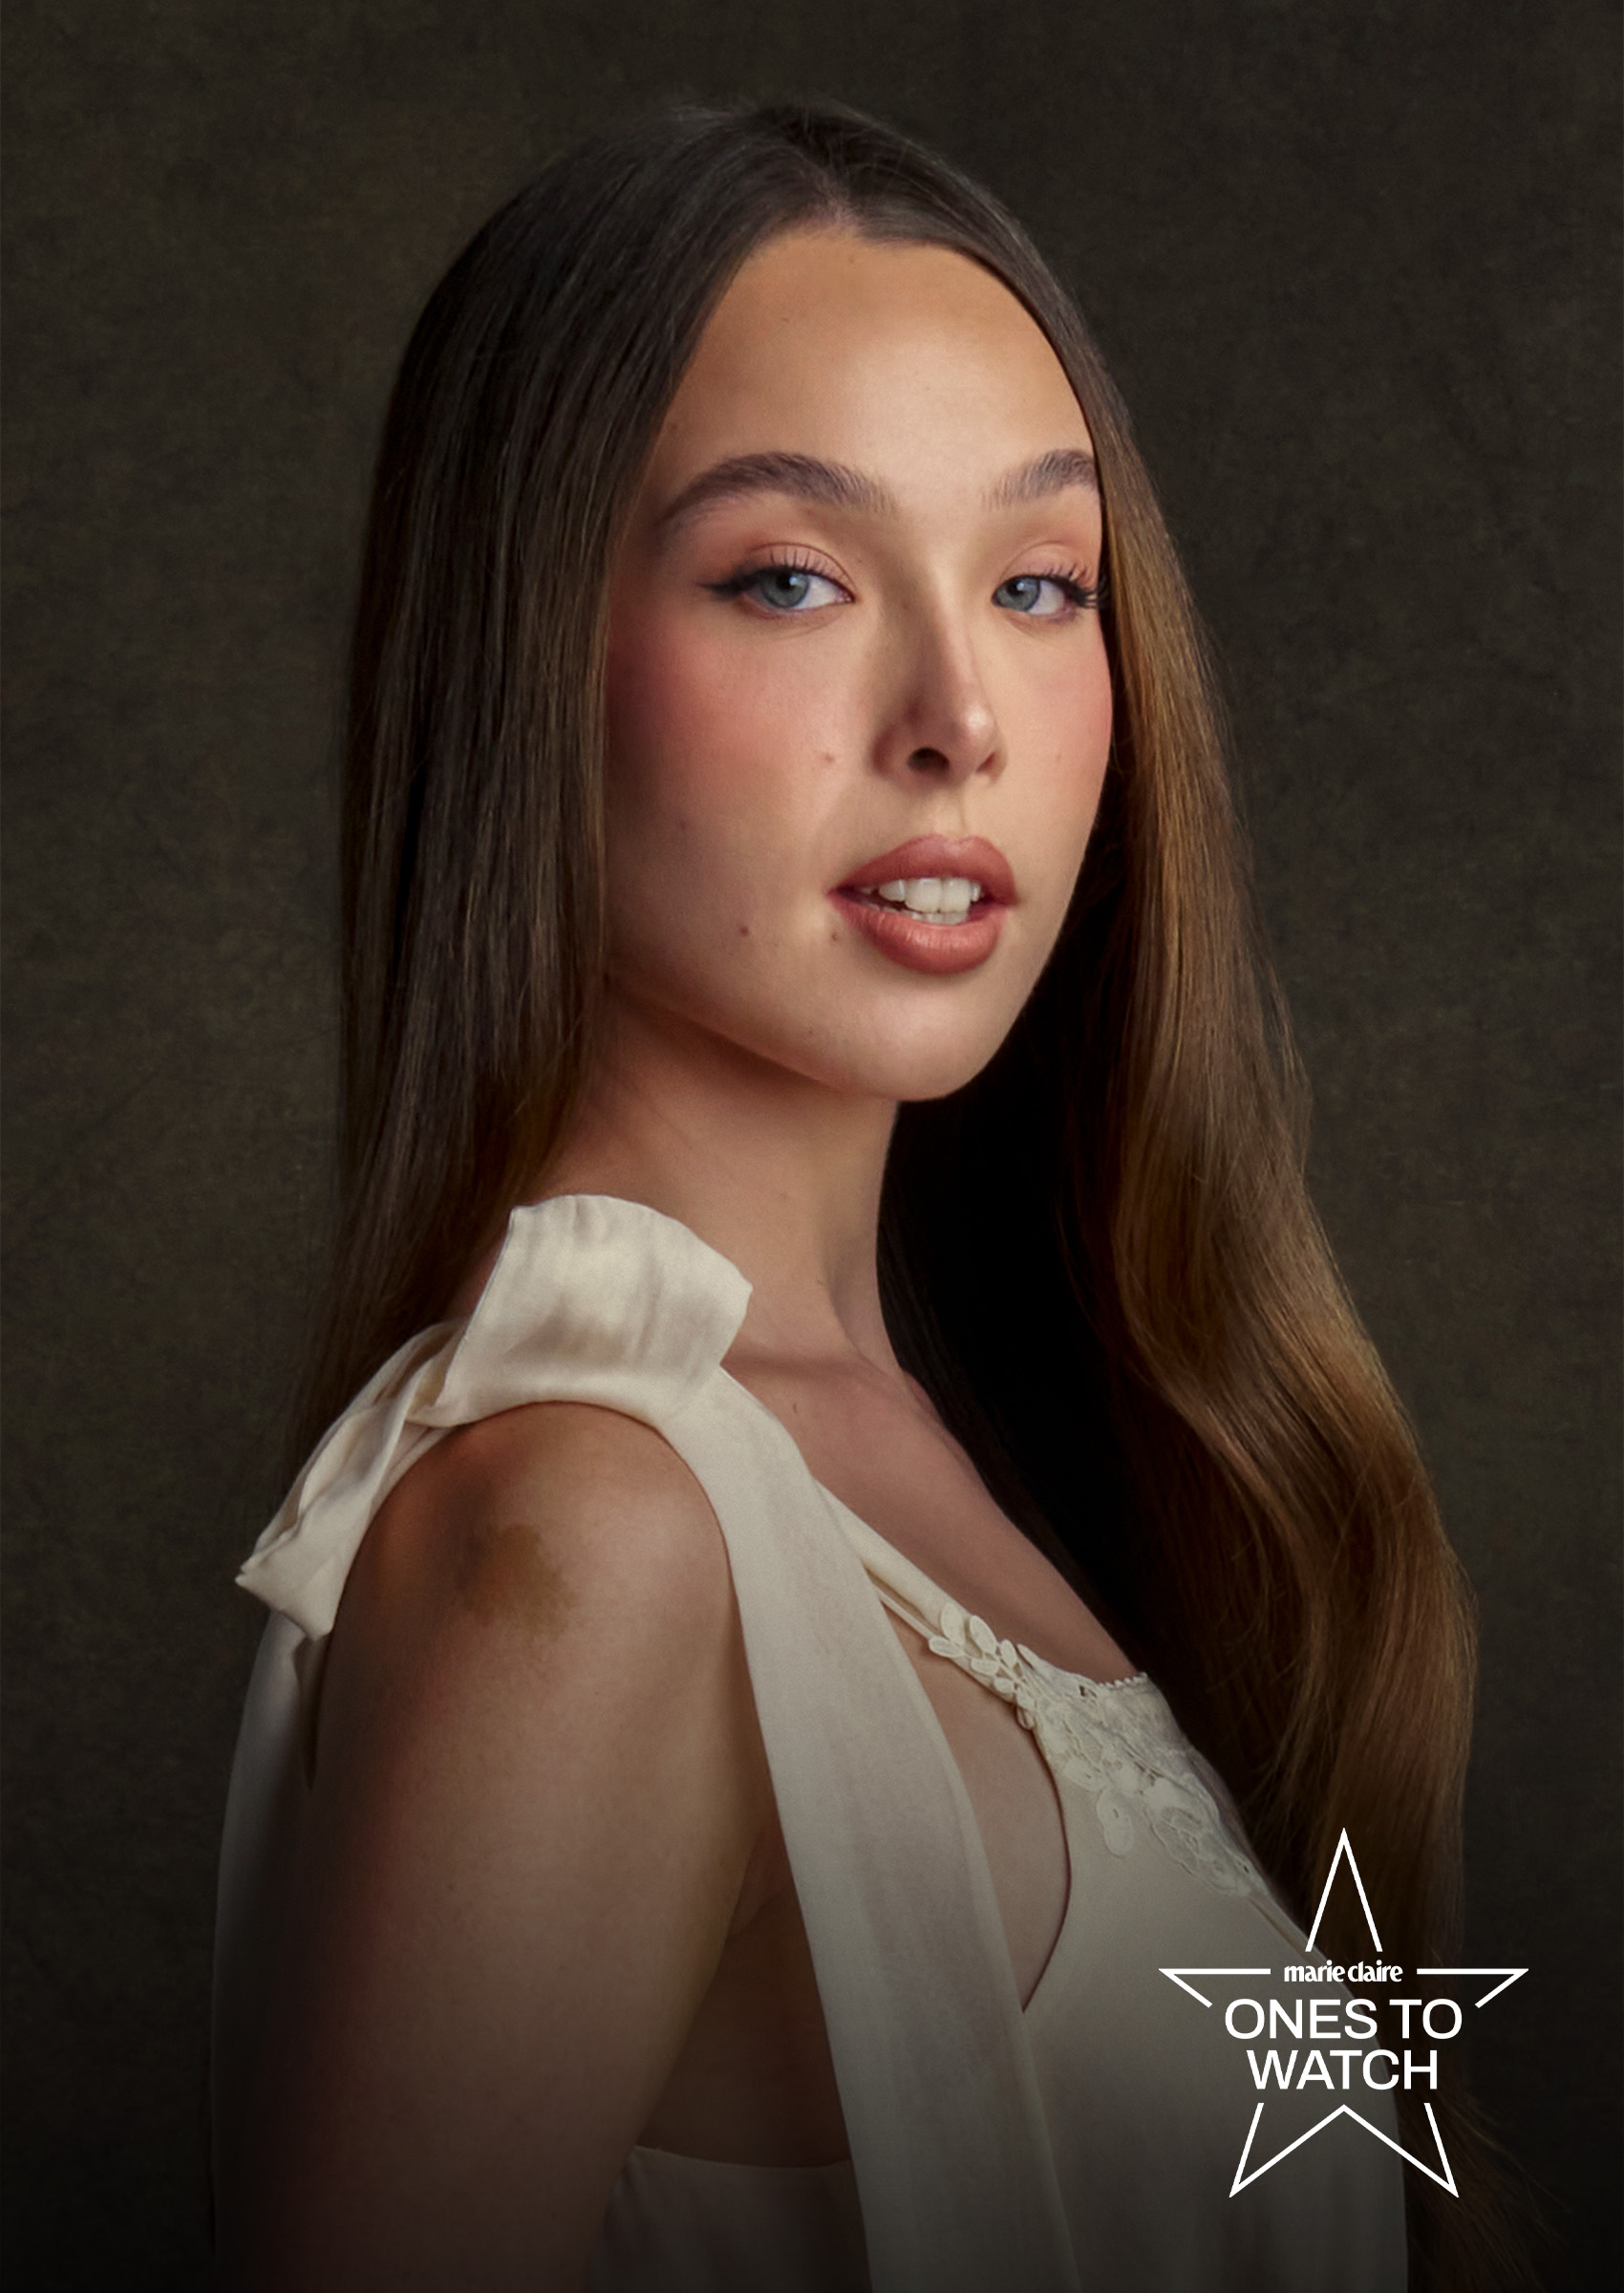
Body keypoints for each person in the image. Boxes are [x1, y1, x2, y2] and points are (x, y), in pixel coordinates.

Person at [212, 102, 1512, 2290]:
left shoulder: (979, 1458)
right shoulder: (595, 1541)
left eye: (1035, 584)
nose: (958, 718)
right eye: (789, 578)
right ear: (524, 660)